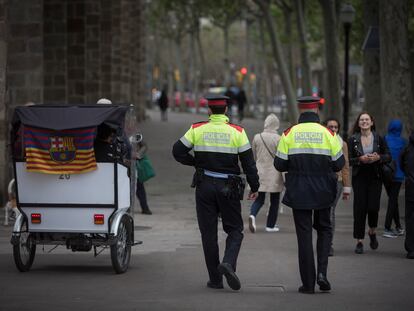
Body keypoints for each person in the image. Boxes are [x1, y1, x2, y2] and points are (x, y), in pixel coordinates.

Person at [172, 95, 259, 291]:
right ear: (226, 110)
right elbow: (248, 164)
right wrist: (255, 186)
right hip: (229, 186)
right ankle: (228, 263)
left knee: (208, 233)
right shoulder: (238, 132)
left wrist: (196, 162)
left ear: (209, 110)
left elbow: (177, 151)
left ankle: (215, 279)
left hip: (204, 186)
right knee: (235, 229)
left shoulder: (197, 129)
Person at [274, 96, 345, 294]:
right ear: (317, 112)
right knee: (324, 229)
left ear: (300, 110)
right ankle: (322, 273)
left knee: (304, 236)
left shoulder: (289, 133)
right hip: (324, 190)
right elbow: (339, 164)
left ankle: (308, 283)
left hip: (299, 191)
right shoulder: (328, 134)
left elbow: (279, 164)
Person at [348, 112, 391, 254]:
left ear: (372, 122)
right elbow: (348, 160)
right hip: (359, 178)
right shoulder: (353, 139)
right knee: (359, 209)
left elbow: (388, 156)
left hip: (375, 177)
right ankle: (359, 241)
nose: (364, 122)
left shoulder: (379, 138)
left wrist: (378, 157)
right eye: (362, 120)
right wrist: (360, 160)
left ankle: (372, 231)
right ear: (359, 123)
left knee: (373, 207)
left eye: (367, 119)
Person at [248, 113, 284, 233]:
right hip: (275, 173)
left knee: (259, 199)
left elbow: (253, 155)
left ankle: (252, 215)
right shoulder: (279, 139)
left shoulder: (257, 137)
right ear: (276, 125)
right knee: (274, 201)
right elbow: (281, 157)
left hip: (260, 171)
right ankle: (270, 225)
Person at [322, 118, 351, 256]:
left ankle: (328, 245)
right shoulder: (320, 141)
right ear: (325, 128)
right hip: (321, 181)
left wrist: (347, 187)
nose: (333, 129)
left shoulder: (342, 144)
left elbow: (345, 166)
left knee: (330, 211)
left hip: (337, 181)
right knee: (322, 212)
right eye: (330, 127)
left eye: (335, 127)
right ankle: (322, 241)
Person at [383, 119, 407, 238]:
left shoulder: (385, 139)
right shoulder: (404, 141)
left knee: (393, 200)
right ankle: (387, 227)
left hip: (387, 174)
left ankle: (398, 226)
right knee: (393, 200)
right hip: (398, 175)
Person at [400, 130, 414, 259]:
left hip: (411, 187)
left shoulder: (407, 148)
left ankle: (411, 248)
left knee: (410, 219)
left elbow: (402, 164)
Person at [135, 138, 152, 215]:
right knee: (139, 188)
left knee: (139, 187)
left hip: (133, 166)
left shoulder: (135, 135)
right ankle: (145, 208)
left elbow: (144, 146)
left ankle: (145, 207)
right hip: (125, 164)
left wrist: (138, 155)